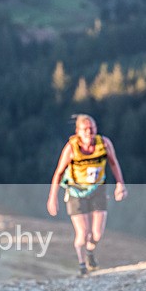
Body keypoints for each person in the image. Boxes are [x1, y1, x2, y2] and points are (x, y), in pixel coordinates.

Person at [47, 114, 127, 275]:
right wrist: (52, 197)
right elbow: (59, 172)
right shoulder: (71, 148)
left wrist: (120, 184)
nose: (89, 132)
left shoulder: (104, 144)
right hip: (76, 192)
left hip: (98, 189)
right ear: (78, 131)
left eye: (92, 128)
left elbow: (113, 163)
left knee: (96, 234)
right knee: (83, 233)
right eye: (85, 129)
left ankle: (90, 251)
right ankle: (82, 265)